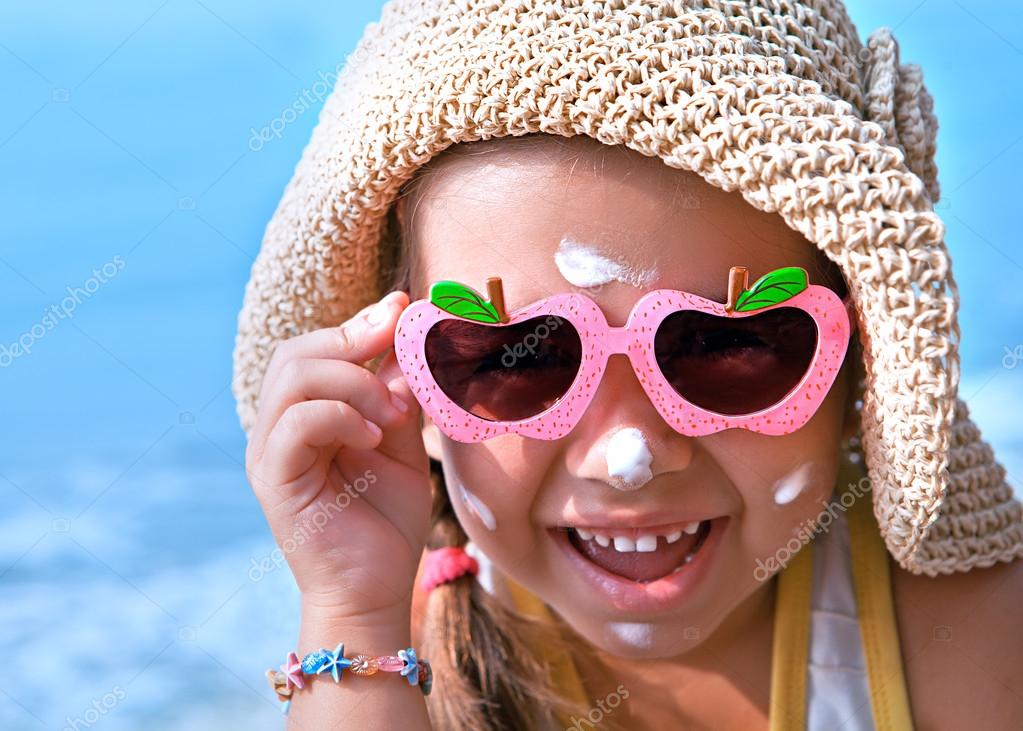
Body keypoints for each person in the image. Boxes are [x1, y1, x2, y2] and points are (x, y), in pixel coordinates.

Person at [233, 2, 1023, 729]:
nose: (629, 458)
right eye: (516, 357)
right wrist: (352, 613)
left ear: (861, 365)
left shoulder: (976, 642)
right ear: (410, 388)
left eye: (725, 345)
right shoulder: (387, 673)